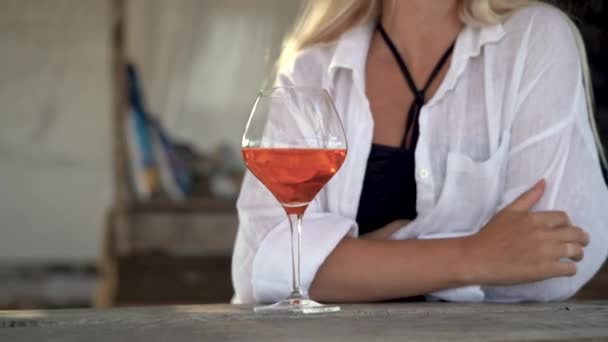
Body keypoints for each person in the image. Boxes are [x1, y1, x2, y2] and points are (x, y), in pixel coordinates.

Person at [232, 0, 608, 304]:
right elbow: (260, 269)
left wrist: (355, 257)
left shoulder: (535, 39)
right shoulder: (312, 64)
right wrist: (475, 255)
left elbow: (554, 261)